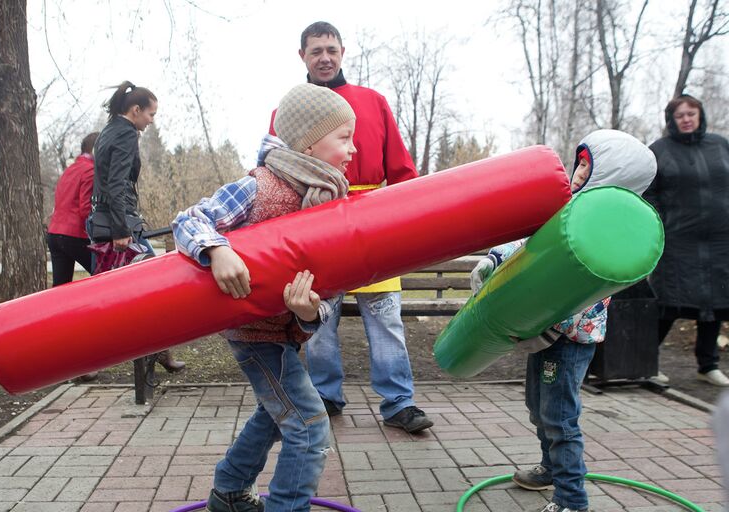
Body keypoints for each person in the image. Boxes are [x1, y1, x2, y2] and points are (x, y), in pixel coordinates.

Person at [173, 83, 355, 512]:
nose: (352, 150)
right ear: (311, 140)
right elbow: (191, 218)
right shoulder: (260, 186)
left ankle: (230, 491)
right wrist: (217, 250)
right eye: (343, 137)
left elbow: (330, 287)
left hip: (289, 333)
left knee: (275, 415)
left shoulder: (331, 201)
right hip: (255, 335)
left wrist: (312, 312)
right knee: (309, 426)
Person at [470, 130, 656, 512]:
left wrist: (546, 316)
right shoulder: (566, 209)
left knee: (559, 417)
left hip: (570, 338)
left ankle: (572, 499)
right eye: (580, 163)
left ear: (612, 176)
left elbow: (585, 288)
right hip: (543, 331)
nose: (578, 172)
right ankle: (551, 469)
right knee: (537, 406)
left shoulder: (608, 230)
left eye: (589, 166)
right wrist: (493, 260)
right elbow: (530, 243)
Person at [269, 21, 432, 433]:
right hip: (316, 228)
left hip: (373, 226)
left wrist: (404, 224)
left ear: (342, 52)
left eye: (331, 50)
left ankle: (399, 402)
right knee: (320, 324)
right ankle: (326, 395)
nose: (324, 58)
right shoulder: (283, 113)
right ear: (302, 56)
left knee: (386, 320)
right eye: (315, 51)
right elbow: (274, 172)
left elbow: (402, 171)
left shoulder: (372, 102)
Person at [90, 81, 185, 374]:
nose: (152, 120)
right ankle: (155, 351)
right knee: (156, 284)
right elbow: (116, 182)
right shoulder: (126, 134)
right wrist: (121, 229)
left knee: (113, 293)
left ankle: (156, 351)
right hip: (118, 222)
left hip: (106, 218)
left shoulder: (109, 130)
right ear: (135, 111)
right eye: (151, 114)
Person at [643, 94, 729, 387]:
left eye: (691, 113)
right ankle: (645, 362)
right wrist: (660, 223)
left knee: (715, 301)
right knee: (669, 301)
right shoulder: (659, 150)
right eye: (680, 115)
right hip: (677, 240)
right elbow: (648, 191)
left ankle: (708, 365)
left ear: (700, 115)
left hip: (720, 239)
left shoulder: (720, 145)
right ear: (672, 120)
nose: (687, 119)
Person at [47, 132, 99, 286]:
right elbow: (86, 210)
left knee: (60, 288)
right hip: (74, 235)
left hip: (54, 234)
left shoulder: (70, 170)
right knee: (104, 275)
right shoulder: (90, 171)